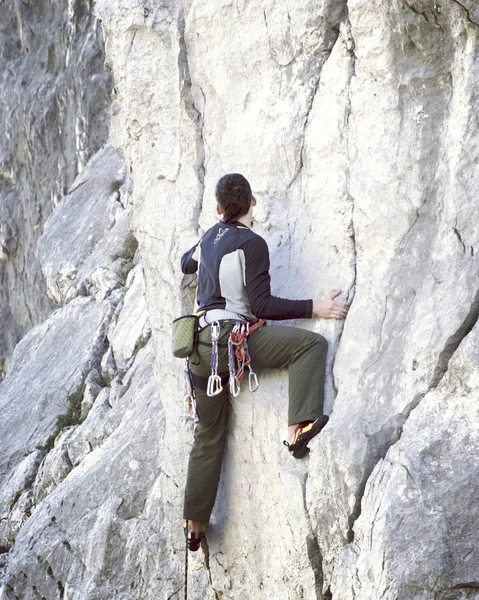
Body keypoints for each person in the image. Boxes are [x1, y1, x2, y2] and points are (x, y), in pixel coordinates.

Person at [181, 173, 349, 551]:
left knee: (208, 434)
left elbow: (185, 264)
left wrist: (204, 242)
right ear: (253, 203)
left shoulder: (207, 237)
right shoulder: (253, 244)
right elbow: (261, 307)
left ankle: (194, 526)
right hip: (235, 342)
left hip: (201, 351)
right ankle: (297, 430)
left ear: (218, 208)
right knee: (310, 346)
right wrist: (314, 306)